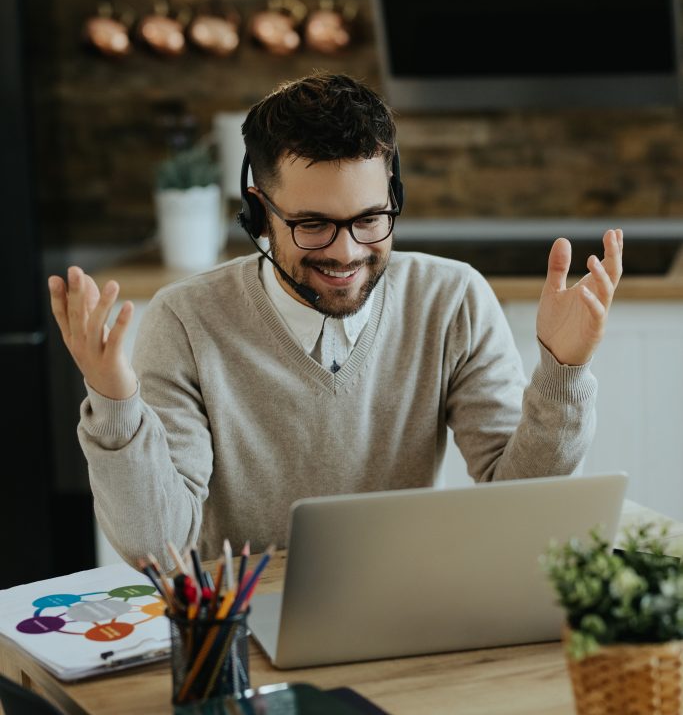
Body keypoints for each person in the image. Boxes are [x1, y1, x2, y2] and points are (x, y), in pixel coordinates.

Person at [48, 73, 623, 571]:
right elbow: (159, 548)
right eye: (313, 224)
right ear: (258, 212)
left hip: (409, 610)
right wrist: (116, 404)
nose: (346, 253)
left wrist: (563, 372)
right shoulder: (185, 321)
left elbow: (513, 505)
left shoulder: (451, 300)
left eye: (371, 218)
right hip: (243, 631)